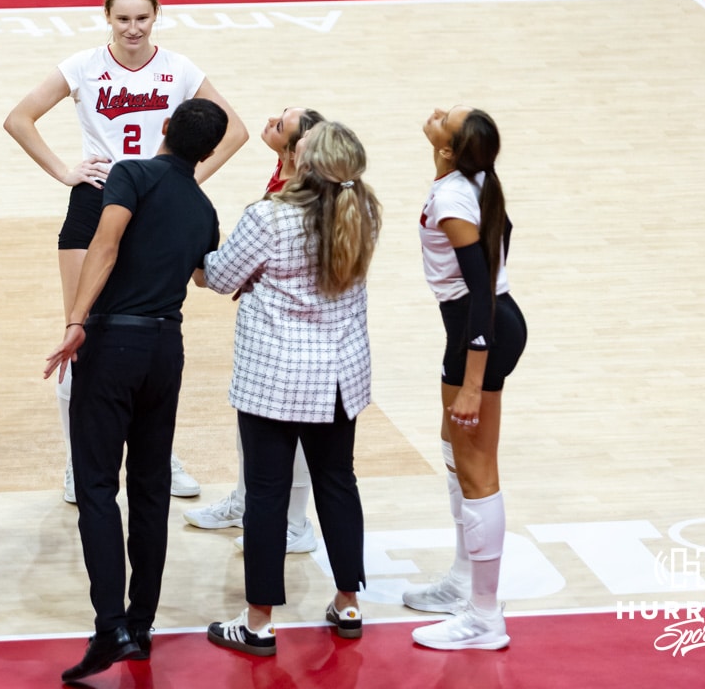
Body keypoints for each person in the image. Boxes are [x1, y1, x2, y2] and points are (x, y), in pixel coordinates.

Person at [6, 0, 247, 505]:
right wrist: (64, 171)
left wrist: (185, 183)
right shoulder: (83, 66)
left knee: (152, 331)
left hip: (155, 206)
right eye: (123, 19)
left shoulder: (179, 68)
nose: (133, 28)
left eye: (142, 18)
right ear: (107, 17)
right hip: (97, 202)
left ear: (155, 15)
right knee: (81, 329)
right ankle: (78, 461)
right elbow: (18, 118)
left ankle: (157, 455)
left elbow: (237, 129)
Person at [44, 99, 229, 683]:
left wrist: (76, 319)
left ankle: (111, 627)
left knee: (97, 486)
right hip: (165, 350)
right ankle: (142, 627)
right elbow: (206, 276)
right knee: (151, 489)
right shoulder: (204, 207)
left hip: (113, 343)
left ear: (166, 128)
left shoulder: (131, 173)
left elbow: (104, 245)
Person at [203, 121, 380, 656]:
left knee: (267, 496)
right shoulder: (364, 210)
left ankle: (258, 623)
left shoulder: (269, 217)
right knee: (337, 485)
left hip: (276, 379)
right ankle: (348, 603)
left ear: (305, 163)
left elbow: (217, 275)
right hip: (339, 379)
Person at [404, 106, 527, 651]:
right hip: (479, 327)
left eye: (444, 120)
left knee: (478, 471)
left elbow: (479, 293)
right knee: (454, 451)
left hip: (481, 331)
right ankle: (462, 579)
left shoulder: (455, 200)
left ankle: (483, 617)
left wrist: (474, 382)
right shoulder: (472, 179)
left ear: (451, 150)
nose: (434, 114)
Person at [184, 107, 325, 555]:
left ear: (295, 148)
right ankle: (247, 503)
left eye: (280, 125)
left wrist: (189, 253)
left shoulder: (299, 192)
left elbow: (226, 274)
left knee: (294, 427)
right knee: (257, 423)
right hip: (272, 329)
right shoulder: (282, 171)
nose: (270, 121)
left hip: (297, 333)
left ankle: (295, 522)